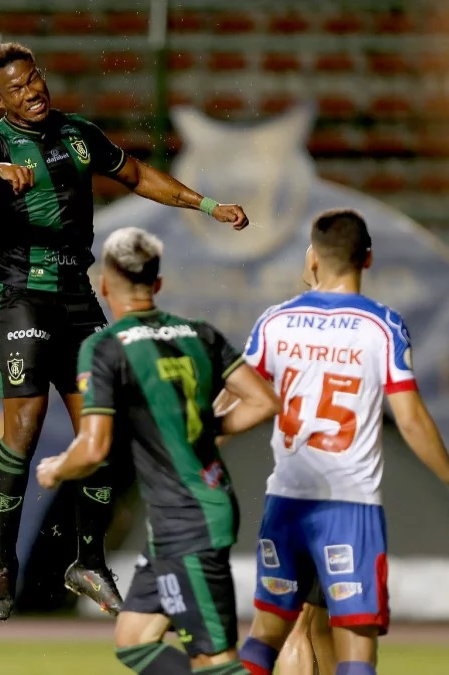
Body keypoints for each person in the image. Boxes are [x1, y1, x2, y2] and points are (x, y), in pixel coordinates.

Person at [0, 41, 250, 621]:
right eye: (18, 88)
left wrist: (207, 205)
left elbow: (135, 174)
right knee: (26, 428)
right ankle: (4, 562)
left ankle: (88, 561)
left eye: (35, 79)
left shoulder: (80, 134)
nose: (33, 92)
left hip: (77, 297)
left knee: (101, 437)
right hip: (21, 295)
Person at [237, 209, 449, 675]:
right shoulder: (381, 327)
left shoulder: (276, 320)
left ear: (312, 256)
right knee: (353, 647)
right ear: (367, 258)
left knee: (269, 634)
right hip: (348, 505)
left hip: (286, 499)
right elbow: (409, 419)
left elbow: (239, 398)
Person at [35, 227, 278, 673]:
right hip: (179, 516)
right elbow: (263, 400)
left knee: (216, 659)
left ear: (104, 285)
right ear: (158, 284)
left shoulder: (105, 348)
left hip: (189, 521)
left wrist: (55, 470)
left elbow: (94, 448)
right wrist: (203, 431)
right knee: (134, 640)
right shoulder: (199, 334)